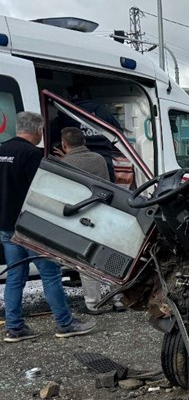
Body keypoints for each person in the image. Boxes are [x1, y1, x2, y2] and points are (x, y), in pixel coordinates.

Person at [1, 112, 95, 342]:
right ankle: (65, 323)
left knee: (15, 277)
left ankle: (14, 328)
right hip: (31, 226)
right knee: (50, 275)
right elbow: (44, 190)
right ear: (37, 131)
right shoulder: (32, 155)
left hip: (5, 225)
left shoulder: (2, 150)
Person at [58, 127, 125, 314]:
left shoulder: (64, 163)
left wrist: (58, 160)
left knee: (86, 260)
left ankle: (93, 304)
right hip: (103, 213)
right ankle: (119, 300)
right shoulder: (99, 159)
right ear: (84, 142)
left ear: (64, 144)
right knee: (111, 258)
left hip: (81, 218)